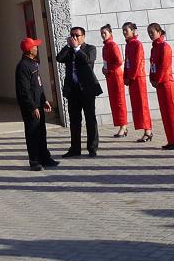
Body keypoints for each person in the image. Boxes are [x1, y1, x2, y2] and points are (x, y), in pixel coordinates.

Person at [55, 27, 101, 157]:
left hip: (87, 90)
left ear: (83, 36)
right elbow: (59, 58)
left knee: (90, 119)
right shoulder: (69, 50)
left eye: (77, 35)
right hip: (73, 90)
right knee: (75, 121)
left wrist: (76, 48)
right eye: (72, 35)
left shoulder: (90, 48)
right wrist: (68, 46)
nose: (74, 37)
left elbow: (87, 60)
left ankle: (92, 148)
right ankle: (75, 148)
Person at [15, 37, 59, 171]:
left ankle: (45, 158)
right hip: (31, 107)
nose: (37, 48)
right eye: (34, 46)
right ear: (29, 50)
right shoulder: (23, 66)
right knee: (32, 133)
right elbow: (24, 90)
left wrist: (44, 99)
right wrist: (32, 106)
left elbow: (38, 85)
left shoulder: (33, 63)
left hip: (39, 103)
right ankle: (34, 161)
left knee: (41, 132)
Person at [147, 23, 174, 151]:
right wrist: (152, 78)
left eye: (152, 32)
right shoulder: (154, 48)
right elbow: (153, 65)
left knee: (172, 112)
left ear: (159, 32)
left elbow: (164, 66)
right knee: (165, 114)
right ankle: (171, 139)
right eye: (149, 32)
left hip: (166, 83)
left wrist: (157, 79)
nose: (150, 35)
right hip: (159, 84)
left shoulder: (165, 47)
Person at [122, 23, 153, 142]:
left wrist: (131, 77)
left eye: (126, 30)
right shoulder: (128, 45)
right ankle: (146, 130)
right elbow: (127, 63)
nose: (125, 32)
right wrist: (125, 76)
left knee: (142, 104)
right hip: (131, 78)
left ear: (133, 31)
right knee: (137, 105)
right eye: (123, 30)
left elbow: (138, 62)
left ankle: (148, 131)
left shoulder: (137, 44)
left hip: (138, 78)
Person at [100, 25, 128, 137]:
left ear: (110, 33)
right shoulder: (105, 47)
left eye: (104, 33)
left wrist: (109, 69)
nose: (103, 35)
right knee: (114, 101)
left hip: (116, 75)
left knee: (119, 100)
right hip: (110, 76)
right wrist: (104, 69)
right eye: (101, 33)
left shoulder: (113, 45)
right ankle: (121, 125)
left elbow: (119, 61)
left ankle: (123, 125)